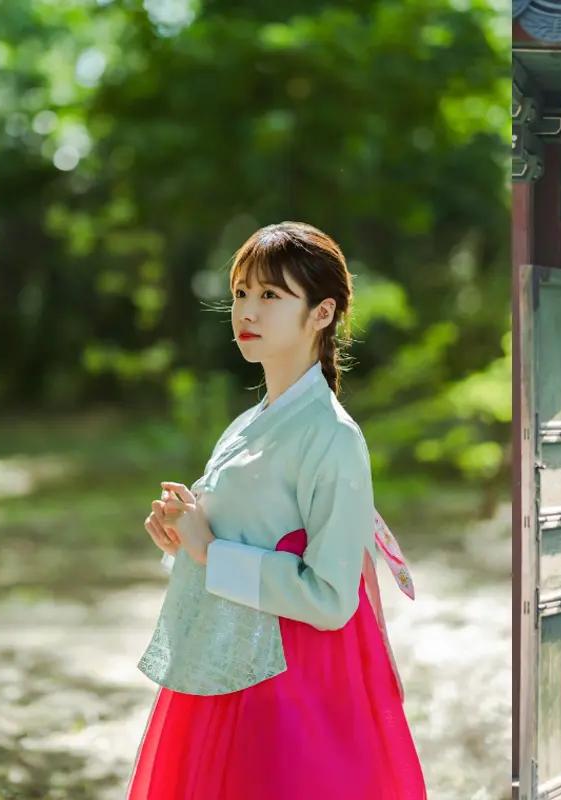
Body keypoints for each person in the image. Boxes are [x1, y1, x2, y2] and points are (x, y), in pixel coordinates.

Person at [127, 221, 427, 799]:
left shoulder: (332, 435)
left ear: (322, 313)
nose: (247, 310)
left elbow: (332, 597)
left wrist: (210, 551)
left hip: (291, 683)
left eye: (270, 295)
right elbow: (243, 535)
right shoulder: (251, 422)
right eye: (241, 292)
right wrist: (184, 534)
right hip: (227, 666)